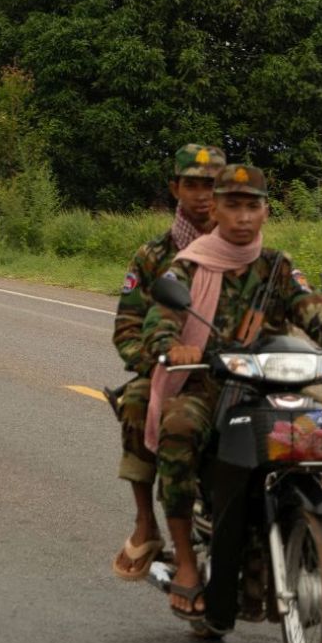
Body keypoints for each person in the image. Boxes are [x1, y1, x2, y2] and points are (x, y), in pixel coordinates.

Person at [143, 164, 322, 619]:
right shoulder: (189, 264)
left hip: (273, 385)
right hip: (210, 385)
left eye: (253, 206)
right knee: (179, 428)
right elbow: (159, 323)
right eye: (233, 205)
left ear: (266, 211)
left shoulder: (278, 266)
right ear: (218, 209)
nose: (243, 217)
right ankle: (187, 563)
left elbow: (314, 310)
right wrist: (173, 346)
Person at [108, 143, 225, 580]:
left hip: (237, 372)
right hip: (173, 373)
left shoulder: (246, 250)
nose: (203, 195)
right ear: (175, 187)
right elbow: (127, 327)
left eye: (212, 185)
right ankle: (145, 523)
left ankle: (317, 553)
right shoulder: (154, 257)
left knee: (317, 422)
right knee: (138, 401)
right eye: (193, 185)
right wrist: (158, 363)